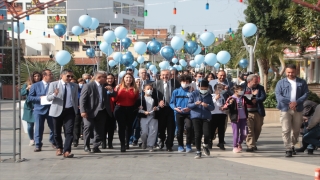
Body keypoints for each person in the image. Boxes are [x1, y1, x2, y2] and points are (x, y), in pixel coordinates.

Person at [275, 64, 309, 157]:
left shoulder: (302, 82)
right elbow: (278, 95)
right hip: (285, 109)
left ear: (296, 72)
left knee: (296, 130)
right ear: (286, 72)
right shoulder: (281, 83)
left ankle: (293, 144)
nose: (290, 74)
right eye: (288, 72)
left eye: (292, 72)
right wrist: (290, 103)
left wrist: (296, 102)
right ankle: (288, 148)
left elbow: (306, 94)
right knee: (286, 130)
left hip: (298, 109)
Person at [47, 69, 79, 158]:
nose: (70, 78)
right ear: (62, 75)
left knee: (69, 131)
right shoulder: (54, 84)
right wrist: (54, 94)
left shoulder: (74, 86)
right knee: (56, 132)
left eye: (71, 76)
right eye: (68, 76)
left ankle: (67, 150)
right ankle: (59, 147)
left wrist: (76, 109)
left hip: (69, 111)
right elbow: (48, 98)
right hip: (57, 110)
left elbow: (75, 98)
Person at [80, 71, 112, 153]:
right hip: (89, 111)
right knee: (88, 127)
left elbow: (114, 95)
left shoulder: (105, 86)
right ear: (98, 77)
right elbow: (82, 99)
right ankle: (86, 145)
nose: (106, 79)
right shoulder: (88, 86)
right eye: (104, 77)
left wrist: (111, 91)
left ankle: (96, 146)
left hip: (102, 111)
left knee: (100, 129)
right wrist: (83, 111)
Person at [27, 69, 55, 152]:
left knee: (54, 127)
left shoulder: (53, 85)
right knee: (39, 128)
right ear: (44, 76)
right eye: (50, 74)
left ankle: (53, 141)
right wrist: (39, 98)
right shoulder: (35, 85)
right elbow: (30, 97)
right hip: (39, 110)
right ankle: (38, 144)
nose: (51, 76)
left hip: (51, 109)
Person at [153, 70, 180, 151]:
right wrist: (158, 101)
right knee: (161, 127)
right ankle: (161, 140)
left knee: (171, 128)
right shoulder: (156, 84)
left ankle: (169, 145)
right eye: (163, 75)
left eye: (167, 75)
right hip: (161, 109)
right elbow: (152, 96)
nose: (165, 77)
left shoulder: (175, 83)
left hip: (171, 108)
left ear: (170, 75)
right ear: (160, 76)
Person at [187, 80, 215, 159]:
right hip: (196, 116)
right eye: (201, 88)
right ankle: (198, 151)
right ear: (199, 87)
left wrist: (207, 105)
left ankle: (205, 145)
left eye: (205, 88)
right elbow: (189, 105)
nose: (203, 89)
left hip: (206, 117)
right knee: (197, 134)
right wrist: (195, 104)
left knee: (206, 134)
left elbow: (212, 107)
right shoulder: (194, 94)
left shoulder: (209, 95)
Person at [113, 73, 139, 152]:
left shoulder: (135, 88)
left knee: (129, 127)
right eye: (127, 77)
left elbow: (136, 100)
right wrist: (116, 91)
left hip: (131, 109)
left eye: (130, 78)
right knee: (122, 127)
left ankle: (127, 142)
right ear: (123, 78)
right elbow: (114, 100)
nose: (128, 79)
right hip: (120, 109)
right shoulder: (119, 87)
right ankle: (122, 144)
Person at [223, 85, 253, 153]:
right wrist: (229, 104)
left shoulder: (243, 98)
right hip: (235, 119)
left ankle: (239, 142)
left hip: (244, 118)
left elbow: (250, 102)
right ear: (235, 91)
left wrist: (253, 95)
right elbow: (226, 106)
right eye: (240, 90)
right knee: (236, 133)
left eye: (242, 90)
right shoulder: (231, 98)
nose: (242, 91)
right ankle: (235, 146)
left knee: (245, 133)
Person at [243, 74, 266, 152]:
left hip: (258, 112)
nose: (257, 83)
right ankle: (250, 145)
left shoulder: (260, 88)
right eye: (255, 81)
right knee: (249, 130)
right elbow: (241, 97)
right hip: (247, 112)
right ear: (249, 81)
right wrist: (252, 95)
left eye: (257, 81)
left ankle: (253, 142)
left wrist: (256, 99)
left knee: (257, 129)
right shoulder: (242, 87)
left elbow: (263, 97)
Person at [170, 75, 193, 153]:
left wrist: (189, 108)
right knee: (179, 130)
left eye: (187, 82)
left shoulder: (192, 92)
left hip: (189, 113)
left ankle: (188, 145)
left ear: (189, 82)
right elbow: (171, 103)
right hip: (178, 113)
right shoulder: (175, 91)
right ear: (180, 82)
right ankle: (180, 145)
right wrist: (175, 108)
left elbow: (195, 103)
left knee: (189, 128)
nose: (185, 83)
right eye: (183, 81)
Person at [21, 71, 42, 146]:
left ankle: (38, 139)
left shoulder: (41, 84)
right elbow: (22, 93)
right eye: (35, 76)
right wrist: (27, 88)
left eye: (38, 76)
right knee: (30, 125)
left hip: (38, 106)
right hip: (29, 107)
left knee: (39, 125)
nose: (37, 78)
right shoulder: (27, 84)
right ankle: (31, 139)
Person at [138, 84, 159, 152]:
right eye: (148, 89)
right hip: (144, 117)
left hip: (153, 117)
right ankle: (144, 141)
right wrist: (143, 111)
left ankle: (150, 145)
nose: (149, 90)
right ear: (144, 90)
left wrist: (156, 108)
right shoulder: (140, 99)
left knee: (153, 131)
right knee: (144, 132)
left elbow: (159, 107)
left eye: (151, 89)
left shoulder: (155, 98)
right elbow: (137, 109)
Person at [209, 84, 228, 150]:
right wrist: (215, 99)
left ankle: (221, 143)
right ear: (215, 89)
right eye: (219, 88)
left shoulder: (222, 96)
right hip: (213, 114)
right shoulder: (211, 96)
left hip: (221, 114)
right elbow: (210, 104)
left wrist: (224, 107)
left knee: (221, 130)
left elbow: (224, 103)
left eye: (221, 88)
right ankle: (209, 142)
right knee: (212, 130)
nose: (220, 90)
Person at [102, 73, 117, 149]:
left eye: (111, 78)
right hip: (104, 109)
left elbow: (116, 96)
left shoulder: (116, 87)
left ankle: (110, 143)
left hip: (113, 109)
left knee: (111, 127)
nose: (110, 80)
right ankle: (103, 142)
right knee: (104, 127)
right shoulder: (102, 87)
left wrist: (112, 90)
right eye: (108, 78)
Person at [73, 78, 85, 147]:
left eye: (83, 83)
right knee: (76, 125)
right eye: (80, 82)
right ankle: (75, 140)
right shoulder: (76, 90)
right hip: (77, 110)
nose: (81, 84)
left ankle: (83, 136)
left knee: (84, 124)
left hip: (84, 110)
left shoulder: (86, 89)